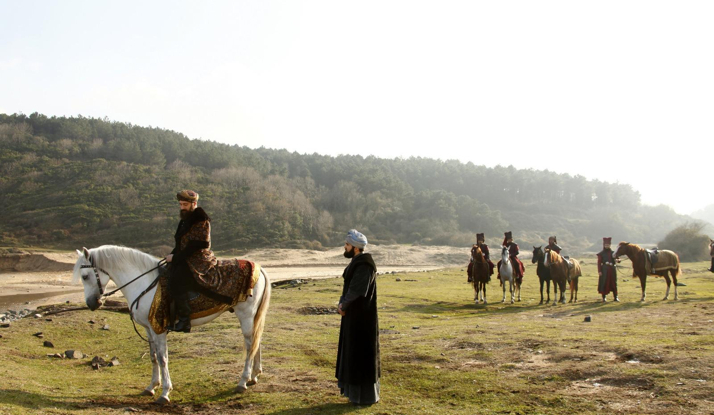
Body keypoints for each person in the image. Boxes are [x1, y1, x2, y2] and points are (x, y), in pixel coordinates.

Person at [336, 229, 380, 406]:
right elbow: (349, 288)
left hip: (362, 319)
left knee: (361, 355)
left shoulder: (364, 265)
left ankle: (365, 397)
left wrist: (343, 305)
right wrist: (342, 303)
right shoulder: (357, 262)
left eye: (347, 245)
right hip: (353, 317)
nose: (344, 247)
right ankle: (354, 395)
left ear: (355, 248)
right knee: (353, 355)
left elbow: (356, 290)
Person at [164, 190, 217, 333]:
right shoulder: (185, 219)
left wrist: (175, 258)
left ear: (194, 204)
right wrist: (171, 255)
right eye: (181, 204)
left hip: (198, 258)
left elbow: (199, 245)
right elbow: (180, 244)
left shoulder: (201, 220)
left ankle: (184, 321)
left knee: (176, 282)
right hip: (185, 256)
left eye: (185, 204)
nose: (182, 207)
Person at [597, 237, 619, 302]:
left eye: (608, 245)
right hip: (604, 270)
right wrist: (599, 271)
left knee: (614, 283)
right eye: (606, 245)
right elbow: (599, 263)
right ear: (604, 245)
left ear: (610, 245)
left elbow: (617, 259)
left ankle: (615, 297)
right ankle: (604, 297)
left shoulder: (613, 253)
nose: (607, 246)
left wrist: (618, 260)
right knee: (604, 282)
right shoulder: (601, 254)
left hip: (612, 269)